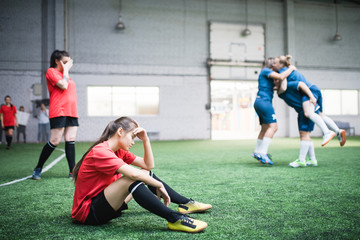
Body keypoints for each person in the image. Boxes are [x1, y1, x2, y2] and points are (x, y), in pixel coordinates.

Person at [72, 117, 211, 233]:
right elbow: (133, 174)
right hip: (89, 213)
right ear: (120, 132)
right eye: (132, 137)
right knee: (131, 179)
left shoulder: (119, 151)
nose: (133, 142)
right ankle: (174, 218)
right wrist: (158, 184)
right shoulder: (100, 151)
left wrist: (146, 139)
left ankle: (185, 204)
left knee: (145, 174)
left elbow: (148, 165)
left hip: (108, 205)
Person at [275, 55, 345, 147]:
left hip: (308, 91)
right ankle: (338, 131)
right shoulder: (290, 69)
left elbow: (283, 83)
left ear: (281, 64)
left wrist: (311, 96)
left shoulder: (282, 71)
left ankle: (327, 132)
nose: (274, 65)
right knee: (320, 114)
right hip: (315, 88)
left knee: (308, 113)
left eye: (275, 63)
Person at [32, 50, 78, 180]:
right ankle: (38, 168)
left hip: (72, 111)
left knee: (70, 139)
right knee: (55, 140)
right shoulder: (51, 72)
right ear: (57, 61)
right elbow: (63, 86)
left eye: (69, 62)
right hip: (59, 110)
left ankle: (72, 172)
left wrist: (66, 71)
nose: (67, 65)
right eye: (64, 62)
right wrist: (66, 70)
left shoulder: (65, 75)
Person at [252, 58, 296, 165]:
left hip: (260, 101)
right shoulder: (266, 71)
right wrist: (291, 69)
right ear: (272, 65)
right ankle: (263, 153)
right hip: (264, 101)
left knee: (265, 128)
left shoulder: (267, 75)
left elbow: (278, 85)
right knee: (274, 127)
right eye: (276, 63)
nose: (278, 65)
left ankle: (257, 151)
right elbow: (281, 76)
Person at [275, 78, 321, 167]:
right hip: (301, 112)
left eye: (276, 80)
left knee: (304, 134)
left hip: (306, 110)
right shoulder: (280, 93)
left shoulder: (289, 85)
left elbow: (301, 84)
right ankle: (312, 159)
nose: (274, 82)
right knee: (306, 135)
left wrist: (311, 97)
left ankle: (301, 160)